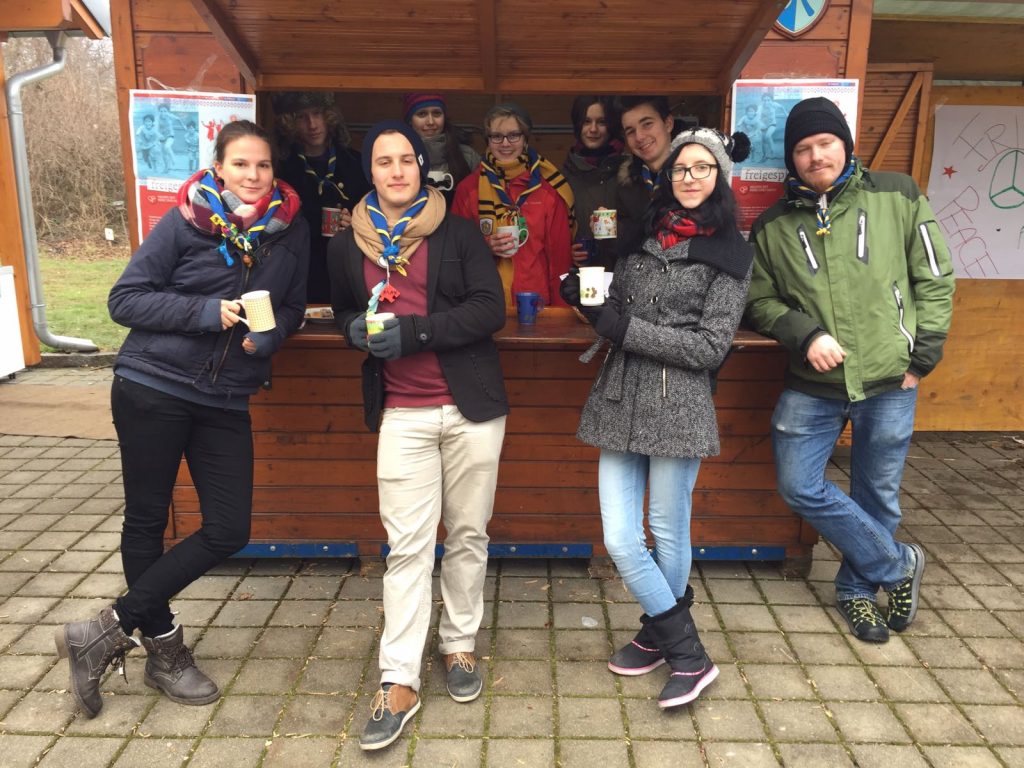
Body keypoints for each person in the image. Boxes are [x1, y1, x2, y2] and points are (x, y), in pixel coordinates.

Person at [55, 120, 309, 718]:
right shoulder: (184, 222)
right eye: (240, 164)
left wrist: (271, 338)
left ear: (274, 171)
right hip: (153, 386)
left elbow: (294, 306)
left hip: (226, 396)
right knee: (147, 521)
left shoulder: (290, 232)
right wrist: (203, 312)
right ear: (219, 167)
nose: (252, 175)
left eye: (263, 165)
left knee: (230, 528)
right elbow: (124, 300)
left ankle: (103, 629)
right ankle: (165, 654)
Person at [327, 120, 508, 751]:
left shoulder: (457, 231)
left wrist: (417, 332)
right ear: (371, 171)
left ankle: (458, 644)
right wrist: (351, 330)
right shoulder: (347, 243)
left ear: (421, 167)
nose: (397, 170)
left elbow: (489, 309)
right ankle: (399, 679)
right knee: (406, 547)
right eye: (384, 161)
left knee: (468, 534)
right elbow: (341, 308)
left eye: (407, 159)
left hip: (471, 408)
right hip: (401, 413)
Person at [747, 97, 955, 643]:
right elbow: (758, 301)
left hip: (891, 378)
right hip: (811, 383)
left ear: (845, 144)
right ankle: (898, 564)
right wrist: (805, 334)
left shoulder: (897, 195)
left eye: (825, 143)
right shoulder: (773, 225)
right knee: (798, 485)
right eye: (803, 148)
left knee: (877, 494)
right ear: (791, 159)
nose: (816, 156)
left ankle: (857, 592)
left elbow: (935, 277)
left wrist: (922, 358)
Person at [561, 127, 753, 709]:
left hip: (678, 404)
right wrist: (589, 301)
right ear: (667, 176)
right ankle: (678, 646)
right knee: (621, 538)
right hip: (620, 397)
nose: (689, 177)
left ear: (719, 176)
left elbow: (710, 347)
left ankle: (672, 648)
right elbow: (619, 306)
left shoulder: (732, 254)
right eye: (680, 168)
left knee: (668, 532)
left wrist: (625, 330)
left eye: (702, 168)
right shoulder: (645, 234)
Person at [451, 102, 574, 308]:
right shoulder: (468, 189)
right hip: (482, 304)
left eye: (514, 135)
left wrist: (559, 314)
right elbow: (454, 252)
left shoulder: (548, 190)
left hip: (536, 304)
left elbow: (559, 260)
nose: (505, 143)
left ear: (525, 138)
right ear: (488, 140)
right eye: (496, 136)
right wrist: (485, 247)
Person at [274, 91, 370, 303]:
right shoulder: (281, 168)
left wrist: (356, 222)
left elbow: (376, 217)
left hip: (348, 265)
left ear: (329, 115)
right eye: (301, 117)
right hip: (300, 268)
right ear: (289, 122)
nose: (312, 124)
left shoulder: (355, 162)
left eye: (317, 113)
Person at [611, 96, 677, 260]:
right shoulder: (627, 184)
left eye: (647, 124)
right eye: (630, 131)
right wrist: (611, 229)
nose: (639, 136)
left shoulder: (694, 179)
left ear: (668, 123)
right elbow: (623, 252)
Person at [562, 96, 624, 269]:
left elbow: (642, 232)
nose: (593, 129)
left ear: (611, 126)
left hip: (624, 275)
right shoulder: (563, 177)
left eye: (601, 122)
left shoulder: (630, 173)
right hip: (580, 278)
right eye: (586, 121)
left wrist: (614, 230)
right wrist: (567, 253)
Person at [403, 92, 480, 202]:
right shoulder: (398, 156)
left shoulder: (467, 156)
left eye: (436, 113)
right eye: (422, 114)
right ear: (410, 120)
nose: (430, 122)